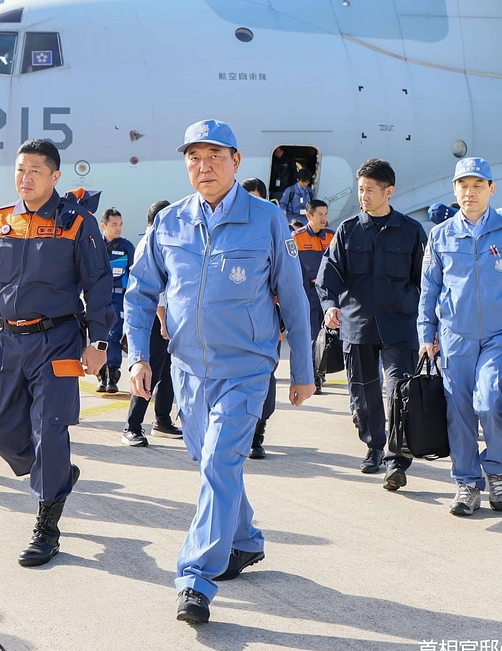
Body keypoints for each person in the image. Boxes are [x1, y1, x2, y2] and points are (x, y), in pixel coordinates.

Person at [124, 119, 315, 624]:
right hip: (188, 370)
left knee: (217, 462)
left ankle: (195, 578)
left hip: (247, 367)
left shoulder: (268, 219)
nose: (202, 166)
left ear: (236, 161)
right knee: (212, 461)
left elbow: (293, 296)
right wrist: (139, 357)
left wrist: (303, 368)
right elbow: (140, 293)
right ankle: (246, 539)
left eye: (213, 156)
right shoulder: (168, 223)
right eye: (193, 157)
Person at [0, 139, 115, 567]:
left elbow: (99, 286)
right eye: (20, 170)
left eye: (35, 171)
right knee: (1, 431)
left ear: (55, 177)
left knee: (50, 430)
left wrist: (98, 343)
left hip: (58, 341)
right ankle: (57, 473)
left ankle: (47, 526)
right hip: (9, 342)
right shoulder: (2, 221)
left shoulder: (78, 223)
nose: (25, 178)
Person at [419, 157, 502, 516]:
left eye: (477, 186)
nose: (469, 192)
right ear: (455, 190)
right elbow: (429, 289)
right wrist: (426, 333)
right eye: (463, 186)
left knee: (490, 404)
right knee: (458, 414)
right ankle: (466, 484)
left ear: (491, 189)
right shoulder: (440, 235)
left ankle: (497, 470)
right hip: (455, 337)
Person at [317, 159, 426, 488]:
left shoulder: (411, 232)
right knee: (363, 394)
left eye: (369, 190)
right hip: (357, 325)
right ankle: (373, 446)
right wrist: (329, 306)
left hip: (399, 326)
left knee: (398, 392)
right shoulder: (348, 230)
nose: (363, 195)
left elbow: (426, 279)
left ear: (388, 191)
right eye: (360, 189)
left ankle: (396, 460)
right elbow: (328, 277)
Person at [122, 200, 182, 447]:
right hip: (156, 322)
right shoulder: (148, 243)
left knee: (169, 373)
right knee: (148, 372)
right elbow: (150, 290)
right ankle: (132, 426)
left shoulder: (165, 242)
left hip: (169, 320)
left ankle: (162, 420)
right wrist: (162, 320)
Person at [240, 177, 279, 459]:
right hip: (233, 329)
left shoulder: (274, 230)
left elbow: (289, 284)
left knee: (265, 383)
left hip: (265, 327)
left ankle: (257, 434)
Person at [293, 199, 334, 394]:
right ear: (309, 216)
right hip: (307, 294)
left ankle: (321, 371)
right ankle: (313, 377)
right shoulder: (296, 238)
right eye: (320, 214)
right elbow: (291, 268)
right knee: (310, 336)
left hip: (327, 294)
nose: (324, 218)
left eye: (326, 214)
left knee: (325, 337)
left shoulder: (333, 237)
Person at [96, 208, 135, 394]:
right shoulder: (94, 246)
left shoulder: (126, 247)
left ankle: (112, 374)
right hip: (97, 298)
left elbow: (134, 275)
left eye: (120, 224)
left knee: (113, 335)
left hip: (118, 297)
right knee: (98, 335)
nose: (118, 228)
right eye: (114, 224)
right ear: (103, 225)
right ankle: (100, 374)